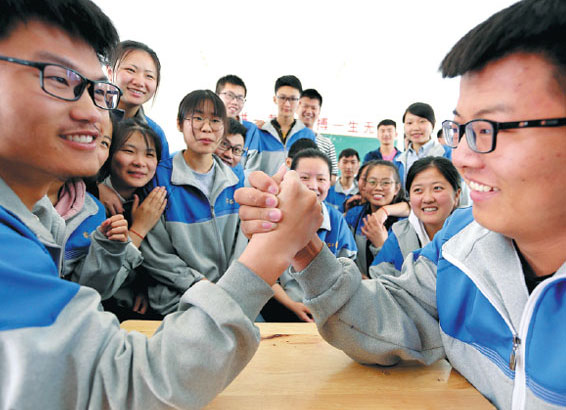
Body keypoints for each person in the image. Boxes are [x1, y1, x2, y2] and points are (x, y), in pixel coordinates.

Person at [235, 0, 566, 407]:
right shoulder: (460, 246)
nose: (461, 156)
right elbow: (390, 321)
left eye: (489, 128)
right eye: (460, 129)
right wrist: (304, 248)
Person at [0, 1, 322, 408]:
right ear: (180, 125)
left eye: (99, 91)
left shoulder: (32, 221)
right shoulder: (150, 188)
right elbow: (130, 384)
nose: (90, 111)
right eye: (58, 78)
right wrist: (272, 250)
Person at [140, 90, 251, 315]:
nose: (206, 128)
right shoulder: (159, 178)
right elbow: (154, 253)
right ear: (180, 124)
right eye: (198, 118)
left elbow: (244, 245)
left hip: (229, 299)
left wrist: (228, 290)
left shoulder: (237, 181)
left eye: (215, 120)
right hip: (178, 301)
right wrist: (199, 284)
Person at [262, 148, 357, 322]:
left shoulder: (336, 220)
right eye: (304, 178)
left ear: (330, 182)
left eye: (321, 179)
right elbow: (265, 276)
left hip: (330, 311)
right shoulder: (274, 216)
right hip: (284, 305)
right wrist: (293, 305)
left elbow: (348, 272)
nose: (313, 185)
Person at [98, 118, 168, 320]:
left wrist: (143, 287)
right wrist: (138, 229)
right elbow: (98, 286)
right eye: (129, 151)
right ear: (109, 154)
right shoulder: (91, 203)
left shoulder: (153, 200)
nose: (139, 162)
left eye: (149, 154)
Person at [370, 156, 461, 272]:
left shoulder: (471, 235)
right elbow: (380, 280)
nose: (427, 199)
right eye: (418, 190)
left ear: (457, 194)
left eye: (437, 188)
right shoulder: (399, 235)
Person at [344, 160, 408, 277]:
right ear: (364, 186)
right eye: (372, 182)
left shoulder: (406, 223)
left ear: (397, 188)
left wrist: (382, 247)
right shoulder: (354, 215)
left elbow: (406, 272)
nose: (378, 187)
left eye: (385, 183)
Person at [108, 40, 169, 161]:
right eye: (131, 70)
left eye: (149, 76)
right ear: (110, 73)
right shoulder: (90, 116)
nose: (139, 82)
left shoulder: (155, 132)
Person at [246, 75, 316, 177]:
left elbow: (312, 170)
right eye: (282, 98)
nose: (287, 104)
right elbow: (250, 170)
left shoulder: (308, 135)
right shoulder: (260, 133)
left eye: (292, 99)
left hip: (295, 191)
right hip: (266, 191)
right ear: (275, 99)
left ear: (299, 102)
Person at [394, 102, 451, 185]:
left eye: (422, 121)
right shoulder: (398, 160)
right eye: (409, 123)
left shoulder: (447, 154)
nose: (415, 128)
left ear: (433, 125)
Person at [215, 74, 261, 168]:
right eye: (229, 95)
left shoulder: (251, 130)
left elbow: (251, 170)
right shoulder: (207, 125)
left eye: (240, 98)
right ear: (216, 96)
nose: (235, 102)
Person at [298, 88, 338, 184]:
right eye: (305, 106)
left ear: (319, 111)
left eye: (313, 108)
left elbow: (333, 176)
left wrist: (317, 182)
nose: (309, 111)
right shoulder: (286, 139)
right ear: (297, 107)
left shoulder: (327, 144)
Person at [326, 148, 360, 212]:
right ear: (338, 164)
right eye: (345, 162)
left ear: (358, 165)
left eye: (353, 162)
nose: (348, 166)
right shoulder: (328, 190)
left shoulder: (362, 193)